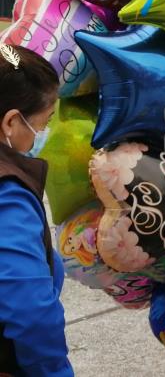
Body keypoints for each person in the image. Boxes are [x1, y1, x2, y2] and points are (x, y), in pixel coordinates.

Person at [0, 44, 73, 376]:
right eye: (44, 122)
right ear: (11, 122)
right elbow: (30, 311)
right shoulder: (8, 192)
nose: (42, 134)